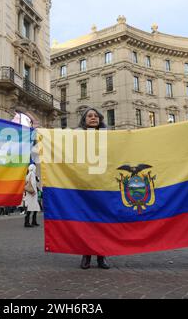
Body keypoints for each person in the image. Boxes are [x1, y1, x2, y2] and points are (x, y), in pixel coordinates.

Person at [77, 108, 110, 270]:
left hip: (103, 186)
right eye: (89, 116)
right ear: (84, 120)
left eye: (96, 116)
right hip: (84, 187)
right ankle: (86, 255)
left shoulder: (109, 137)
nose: (93, 118)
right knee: (87, 223)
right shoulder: (77, 137)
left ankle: (101, 256)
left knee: (102, 223)